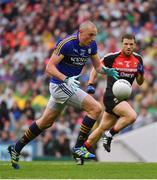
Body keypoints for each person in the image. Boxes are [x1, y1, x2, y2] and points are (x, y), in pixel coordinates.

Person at [8, 21, 119, 169]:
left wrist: (107, 71)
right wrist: (65, 78)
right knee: (96, 108)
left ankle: (16, 148)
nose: (93, 38)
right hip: (59, 85)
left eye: (95, 35)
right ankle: (79, 147)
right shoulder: (66, 43)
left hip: (69, 86)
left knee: (45, 122)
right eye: (90, 35)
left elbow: (98, 66)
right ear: (80, 32)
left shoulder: (91, 45)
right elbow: (49, 67)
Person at [84, 34, 144, 158]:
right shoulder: (112, 57)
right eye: (126, 44)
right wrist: (90, 83)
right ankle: (109, 136)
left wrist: (141, 74)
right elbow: (96, 67)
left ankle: (82, 150)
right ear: (121, 44)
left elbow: (140, 82)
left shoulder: (138, 59)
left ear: (135, 45)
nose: (128, 46)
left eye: (131, 44)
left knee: (102, 128)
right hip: (111, 96)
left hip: (122, 99)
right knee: (132, 116)